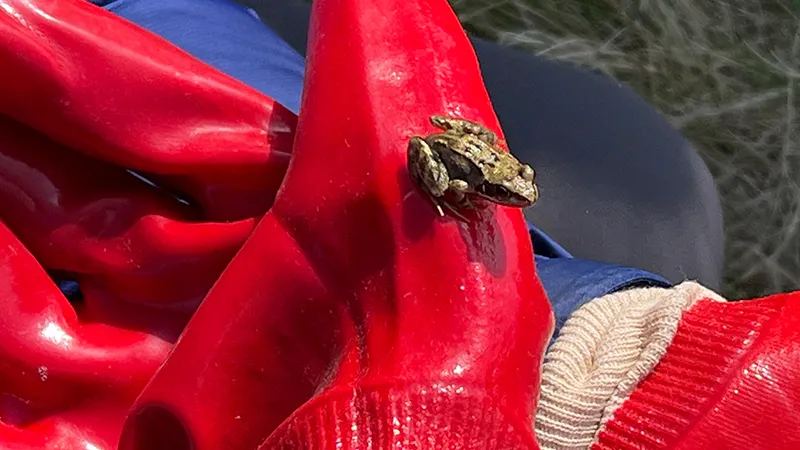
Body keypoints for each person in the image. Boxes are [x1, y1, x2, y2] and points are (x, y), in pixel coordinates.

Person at [10, 0, 800, 449]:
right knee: (645, 163)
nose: (519, 194)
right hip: (445, 195)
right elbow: (454, 162)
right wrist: (628, 370)